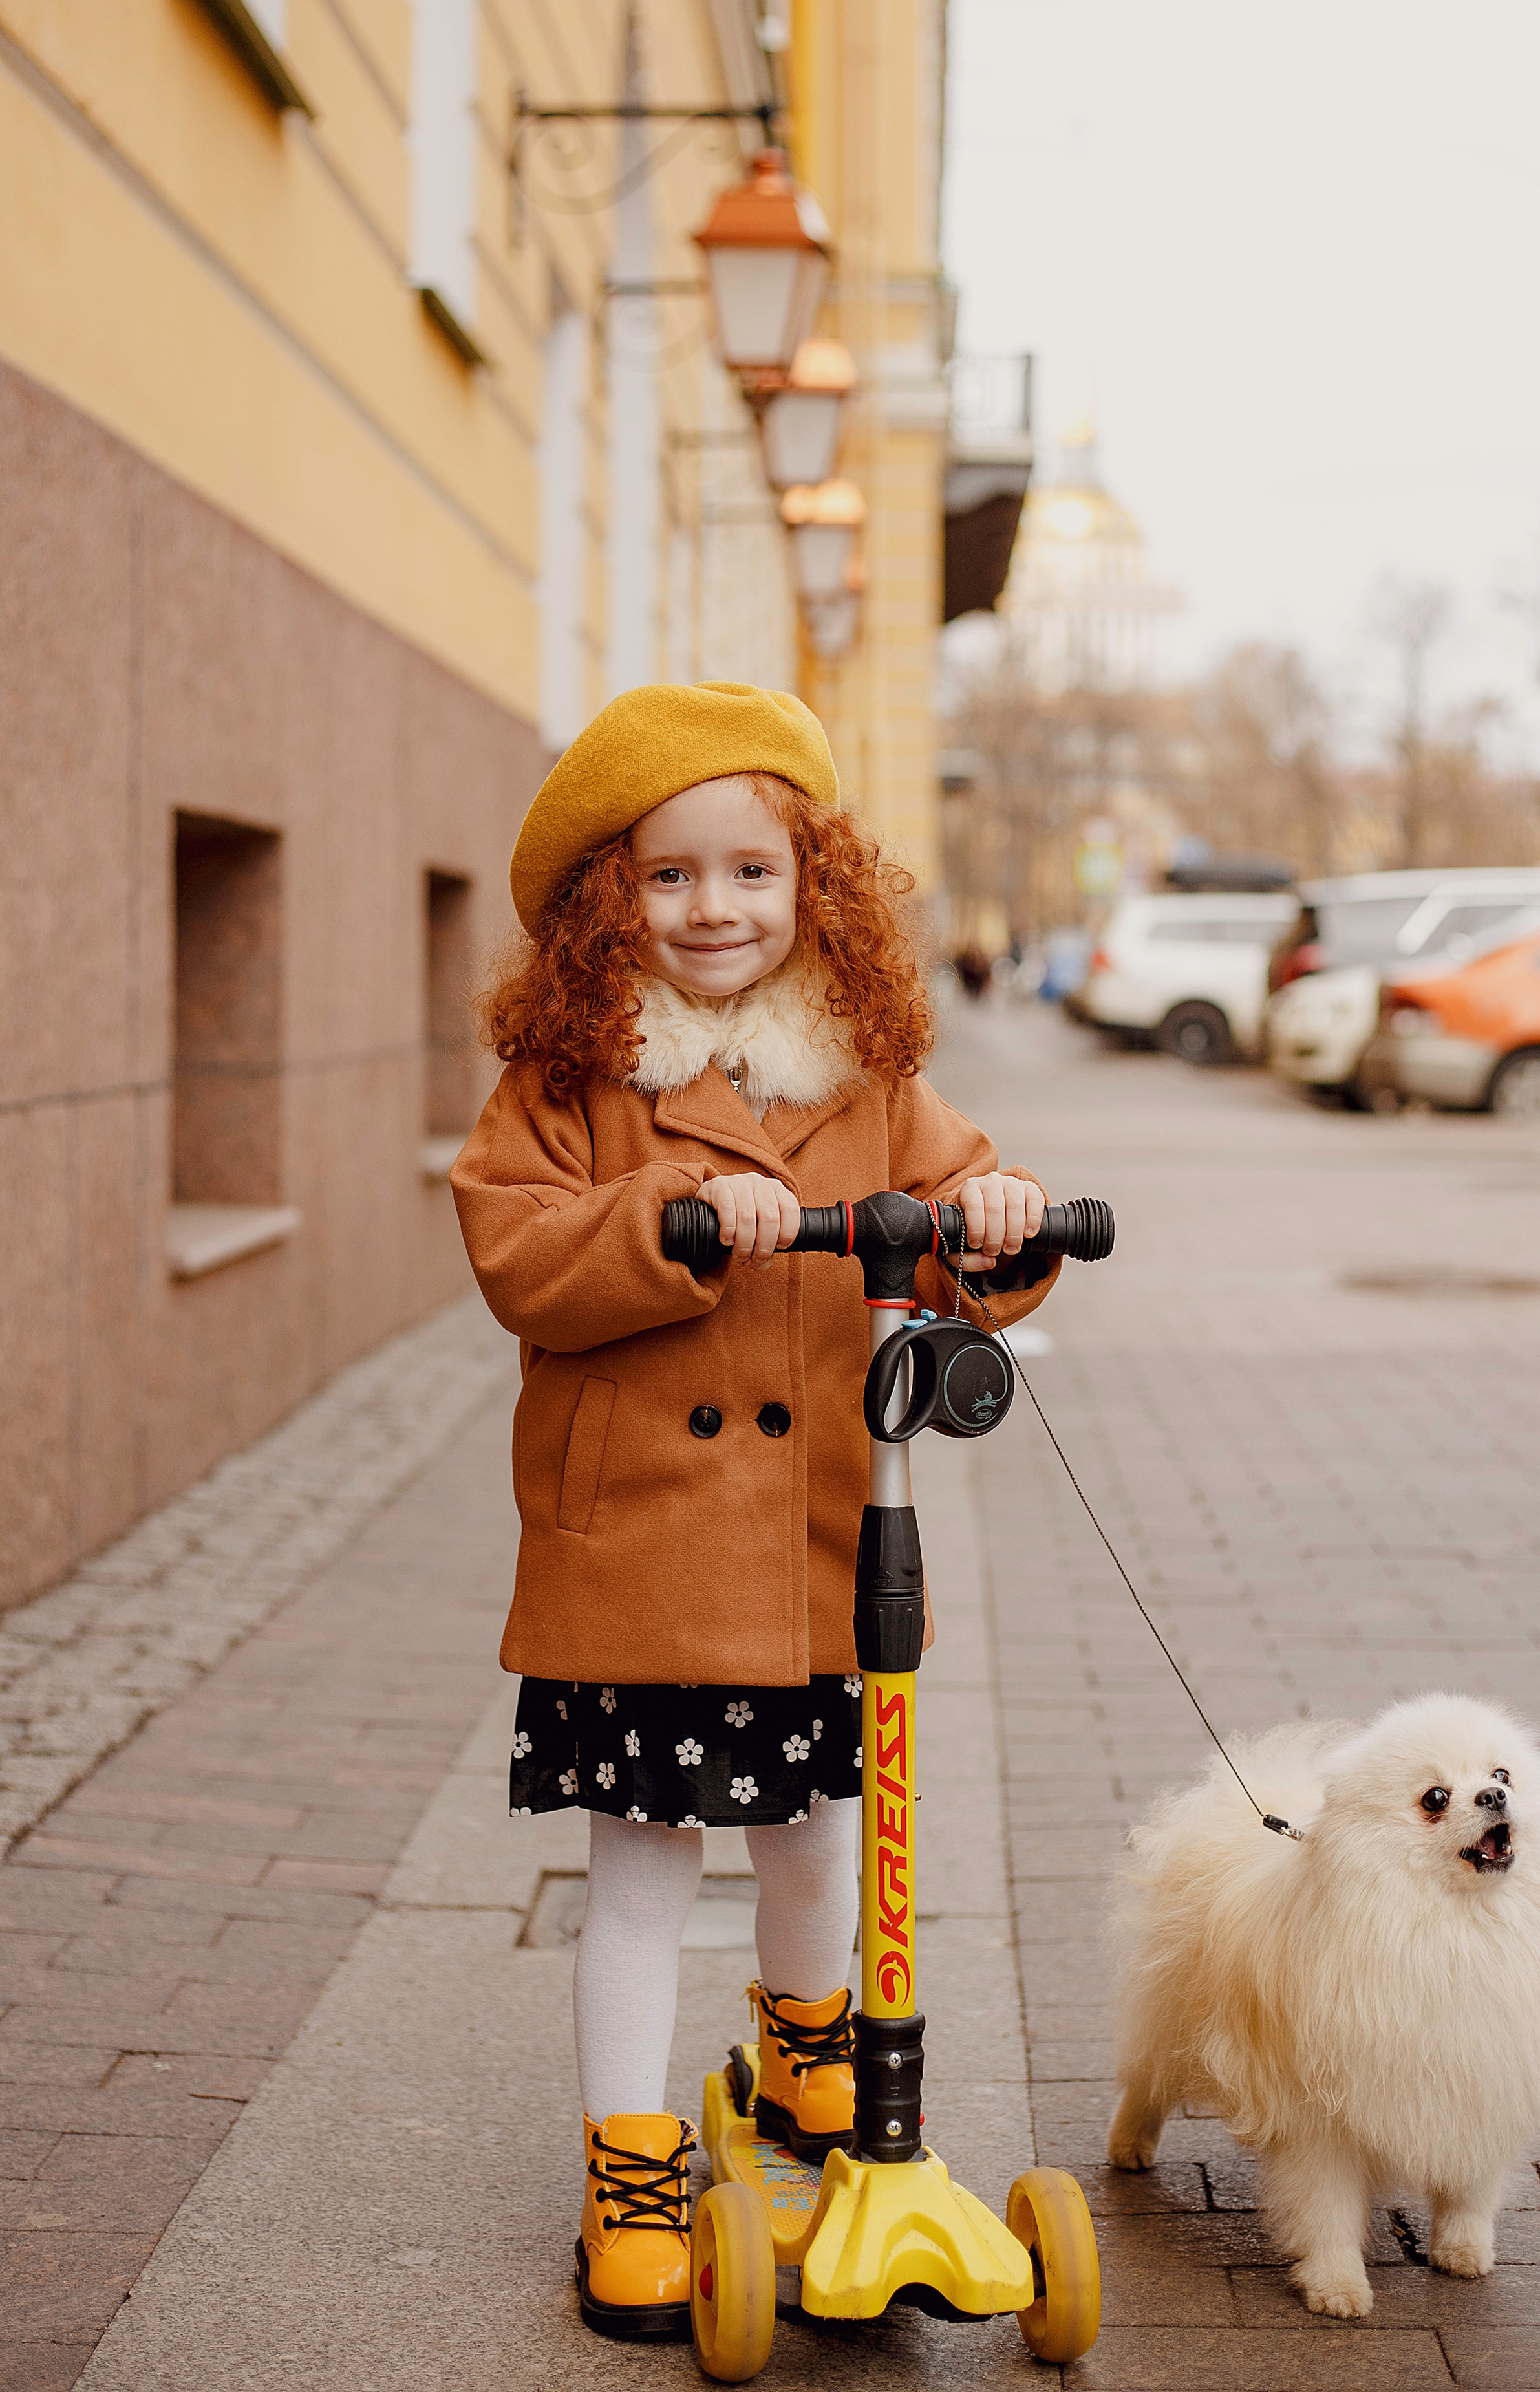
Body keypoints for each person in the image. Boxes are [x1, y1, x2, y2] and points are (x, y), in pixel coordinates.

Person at [452, 682, 1058, 2344]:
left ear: (813, 890)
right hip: (641, 1553)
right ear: (606, 904)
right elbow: (517, 1254)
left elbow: (949, 1214)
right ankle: (630, 2164)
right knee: (642, 1867)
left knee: (813, 1842)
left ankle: (807, 2048)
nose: (711, 911)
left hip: (812, 1556)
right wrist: (670, 1212)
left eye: (748, 875)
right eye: (666, 879)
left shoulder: (863, 1071)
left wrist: (993, 1221)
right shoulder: (567, 1078)